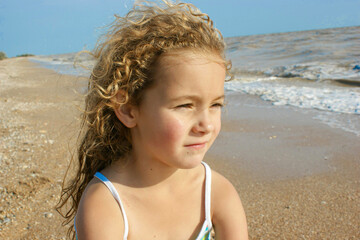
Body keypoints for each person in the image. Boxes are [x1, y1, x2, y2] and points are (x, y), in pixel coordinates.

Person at [57, 1, 248, 239]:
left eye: (215, 104)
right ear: (127, 109)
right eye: (185, 105)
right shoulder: (106, 202)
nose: (206, 125)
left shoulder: (216, 194)